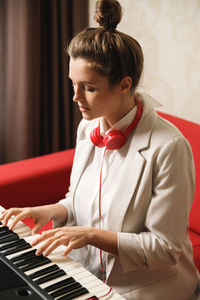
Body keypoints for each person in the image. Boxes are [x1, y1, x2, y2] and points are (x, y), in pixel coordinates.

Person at [0, 0, 199, 299]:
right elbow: (78, 201)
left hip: (146, 287)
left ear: (124, 85)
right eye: (73, 84)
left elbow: (166, 248)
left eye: (88, 88)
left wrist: (90, 235)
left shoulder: (170, 148)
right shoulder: (88, 127)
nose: (75, 97)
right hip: (86, 272)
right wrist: (48, 211)